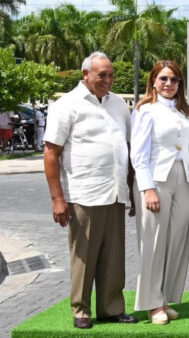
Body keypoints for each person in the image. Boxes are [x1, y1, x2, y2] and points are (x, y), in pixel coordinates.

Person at [42, 52, 138, 329]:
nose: (108, 80)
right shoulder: (66, 105)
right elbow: (51, 152)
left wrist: (130, 188)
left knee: (114, 256)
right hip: (84, 193)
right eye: (102, 75)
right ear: (85, 74)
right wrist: (57, 198)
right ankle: (81, 310)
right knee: (84, 256)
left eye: (111, 75)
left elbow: (128, 147)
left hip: (115, 191)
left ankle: (111, 308)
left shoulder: (119, 104)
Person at [131, 60, 189, 325]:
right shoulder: (145, 110)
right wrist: (147, 189)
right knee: (154, 242)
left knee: (177, 241)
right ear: (154, 81)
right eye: (163, 79)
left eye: (174, 80)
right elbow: (138, 154)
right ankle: (151, 303)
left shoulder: (187, 112)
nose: (169, 84)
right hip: (156, 180)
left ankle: (166, 298)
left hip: (184, 180)